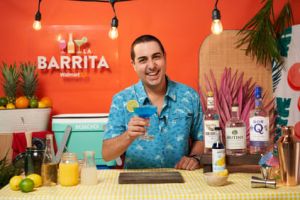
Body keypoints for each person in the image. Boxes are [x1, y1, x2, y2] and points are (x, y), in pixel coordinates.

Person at [102, 34, 203, 170]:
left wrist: (194, 158)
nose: (151, 66)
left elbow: (202, 138)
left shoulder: (189, 96)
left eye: (156, 57)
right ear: (134, 65)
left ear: (164, 57)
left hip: (181, 183)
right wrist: (128, 136)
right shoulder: (122, 100)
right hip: (136, 186)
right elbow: (107, 154)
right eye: (143, 60)